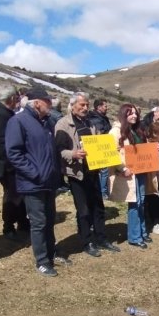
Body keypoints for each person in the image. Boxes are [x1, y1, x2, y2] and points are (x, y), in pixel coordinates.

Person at [5, 87, 66, 276]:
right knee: (39, 222)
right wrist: (35, 173)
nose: (51, 105)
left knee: (49, 220)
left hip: (49, 180)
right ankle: (42, 260)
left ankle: (51, 251)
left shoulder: (45, 122)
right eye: (47, 101)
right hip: (34, 182)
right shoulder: (18, 121)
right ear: (37, 102)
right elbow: (14, 153)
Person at [54, 92, 121, 257]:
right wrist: (73, 154)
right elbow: (59, 150)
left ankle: (101, 238)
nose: (85, 108)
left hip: (93, 171)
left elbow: (99, 143)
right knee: (83, 210)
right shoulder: (63, 124)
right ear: (73, 105)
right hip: (77, 174)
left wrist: (111, 149)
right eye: (82, 105)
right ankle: (87, 241)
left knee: (98, 207)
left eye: (87, 105)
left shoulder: (90, 123)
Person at [0, 83, 29, 241]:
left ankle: (22, 222)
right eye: (16, 97)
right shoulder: (1, 114)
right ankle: (8, 226)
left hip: (10, 162)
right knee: (12, 196)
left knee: (20, 194)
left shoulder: (5, 112)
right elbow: (0, 143)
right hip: (6, 164)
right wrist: (13, 163)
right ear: (12, 98)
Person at [108, 104, 154, 249]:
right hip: (128, 174)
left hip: (140, 172)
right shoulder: (115, 132)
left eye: (135, 113)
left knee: (141, 202)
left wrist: (154, 148)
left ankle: (142, 232)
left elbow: (143, 149)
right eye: (130, 113)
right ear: (123, 115)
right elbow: (112, 153)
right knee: (134, 203)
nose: (134, 116)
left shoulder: (137, 130)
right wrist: (122, 168)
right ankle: (135, 236)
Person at [87, 98, 112, 199]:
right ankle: (103, 192)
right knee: (104, 171)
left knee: (104, 171)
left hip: (104, 146)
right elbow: (100, 134)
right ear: (99, 107)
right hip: (100, 147)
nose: (107, 108)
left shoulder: (101, 118)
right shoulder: (96, 119)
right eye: (105, 106)